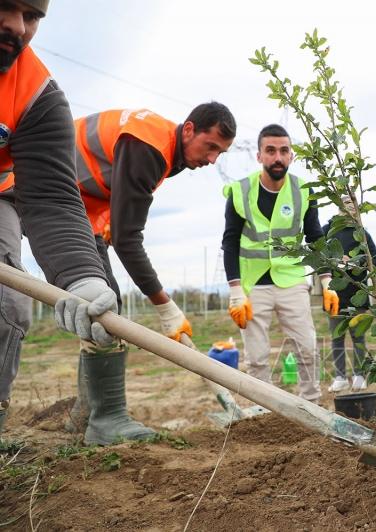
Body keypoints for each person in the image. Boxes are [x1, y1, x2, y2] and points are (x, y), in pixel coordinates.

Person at [65, 102, 236, 444]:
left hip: (82, 207)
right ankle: (105, 420)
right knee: (105, 308)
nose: (213, 159)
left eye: (221, 152)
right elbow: (129, 240)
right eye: (211, 146)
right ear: (189, 130)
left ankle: (86, 416)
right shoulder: (148, 145)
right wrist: (165, 306)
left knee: (105, 306)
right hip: (40, 189)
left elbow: (120, 219)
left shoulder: (163, 151)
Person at [0, 0, 121, 438]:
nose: (16, 25)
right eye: (4, 6)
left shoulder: (35, 93)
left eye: (31, 16)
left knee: (7, 304)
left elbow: (50, 196)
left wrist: (81, 277)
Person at [223, 124, 336, 403]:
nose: (278, 157)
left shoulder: (304, 192)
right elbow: (230, 241)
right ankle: (263, 410)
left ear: (292, 156)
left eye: (284, 151)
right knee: (257, 357)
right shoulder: (240, 191)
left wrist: (327, 281)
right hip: (252, 286)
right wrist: (236, 291)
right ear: (259, 155)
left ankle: (311, 405)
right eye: (271, 151)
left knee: (307, 348)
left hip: (292, 280)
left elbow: (316, 238)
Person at [323, 197, 376, 393]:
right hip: (334, 295)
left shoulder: (361, 233)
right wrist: (337, 261)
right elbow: (319, 257)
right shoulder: (327, 230)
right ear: (339, 205)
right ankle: (339, 377)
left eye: (353, 203)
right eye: (346, 202)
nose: (350, 206)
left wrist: (354, 263)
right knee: (337, 337)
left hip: (359, 294)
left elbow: (374, 260)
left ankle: (359, 375)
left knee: (358, 337)